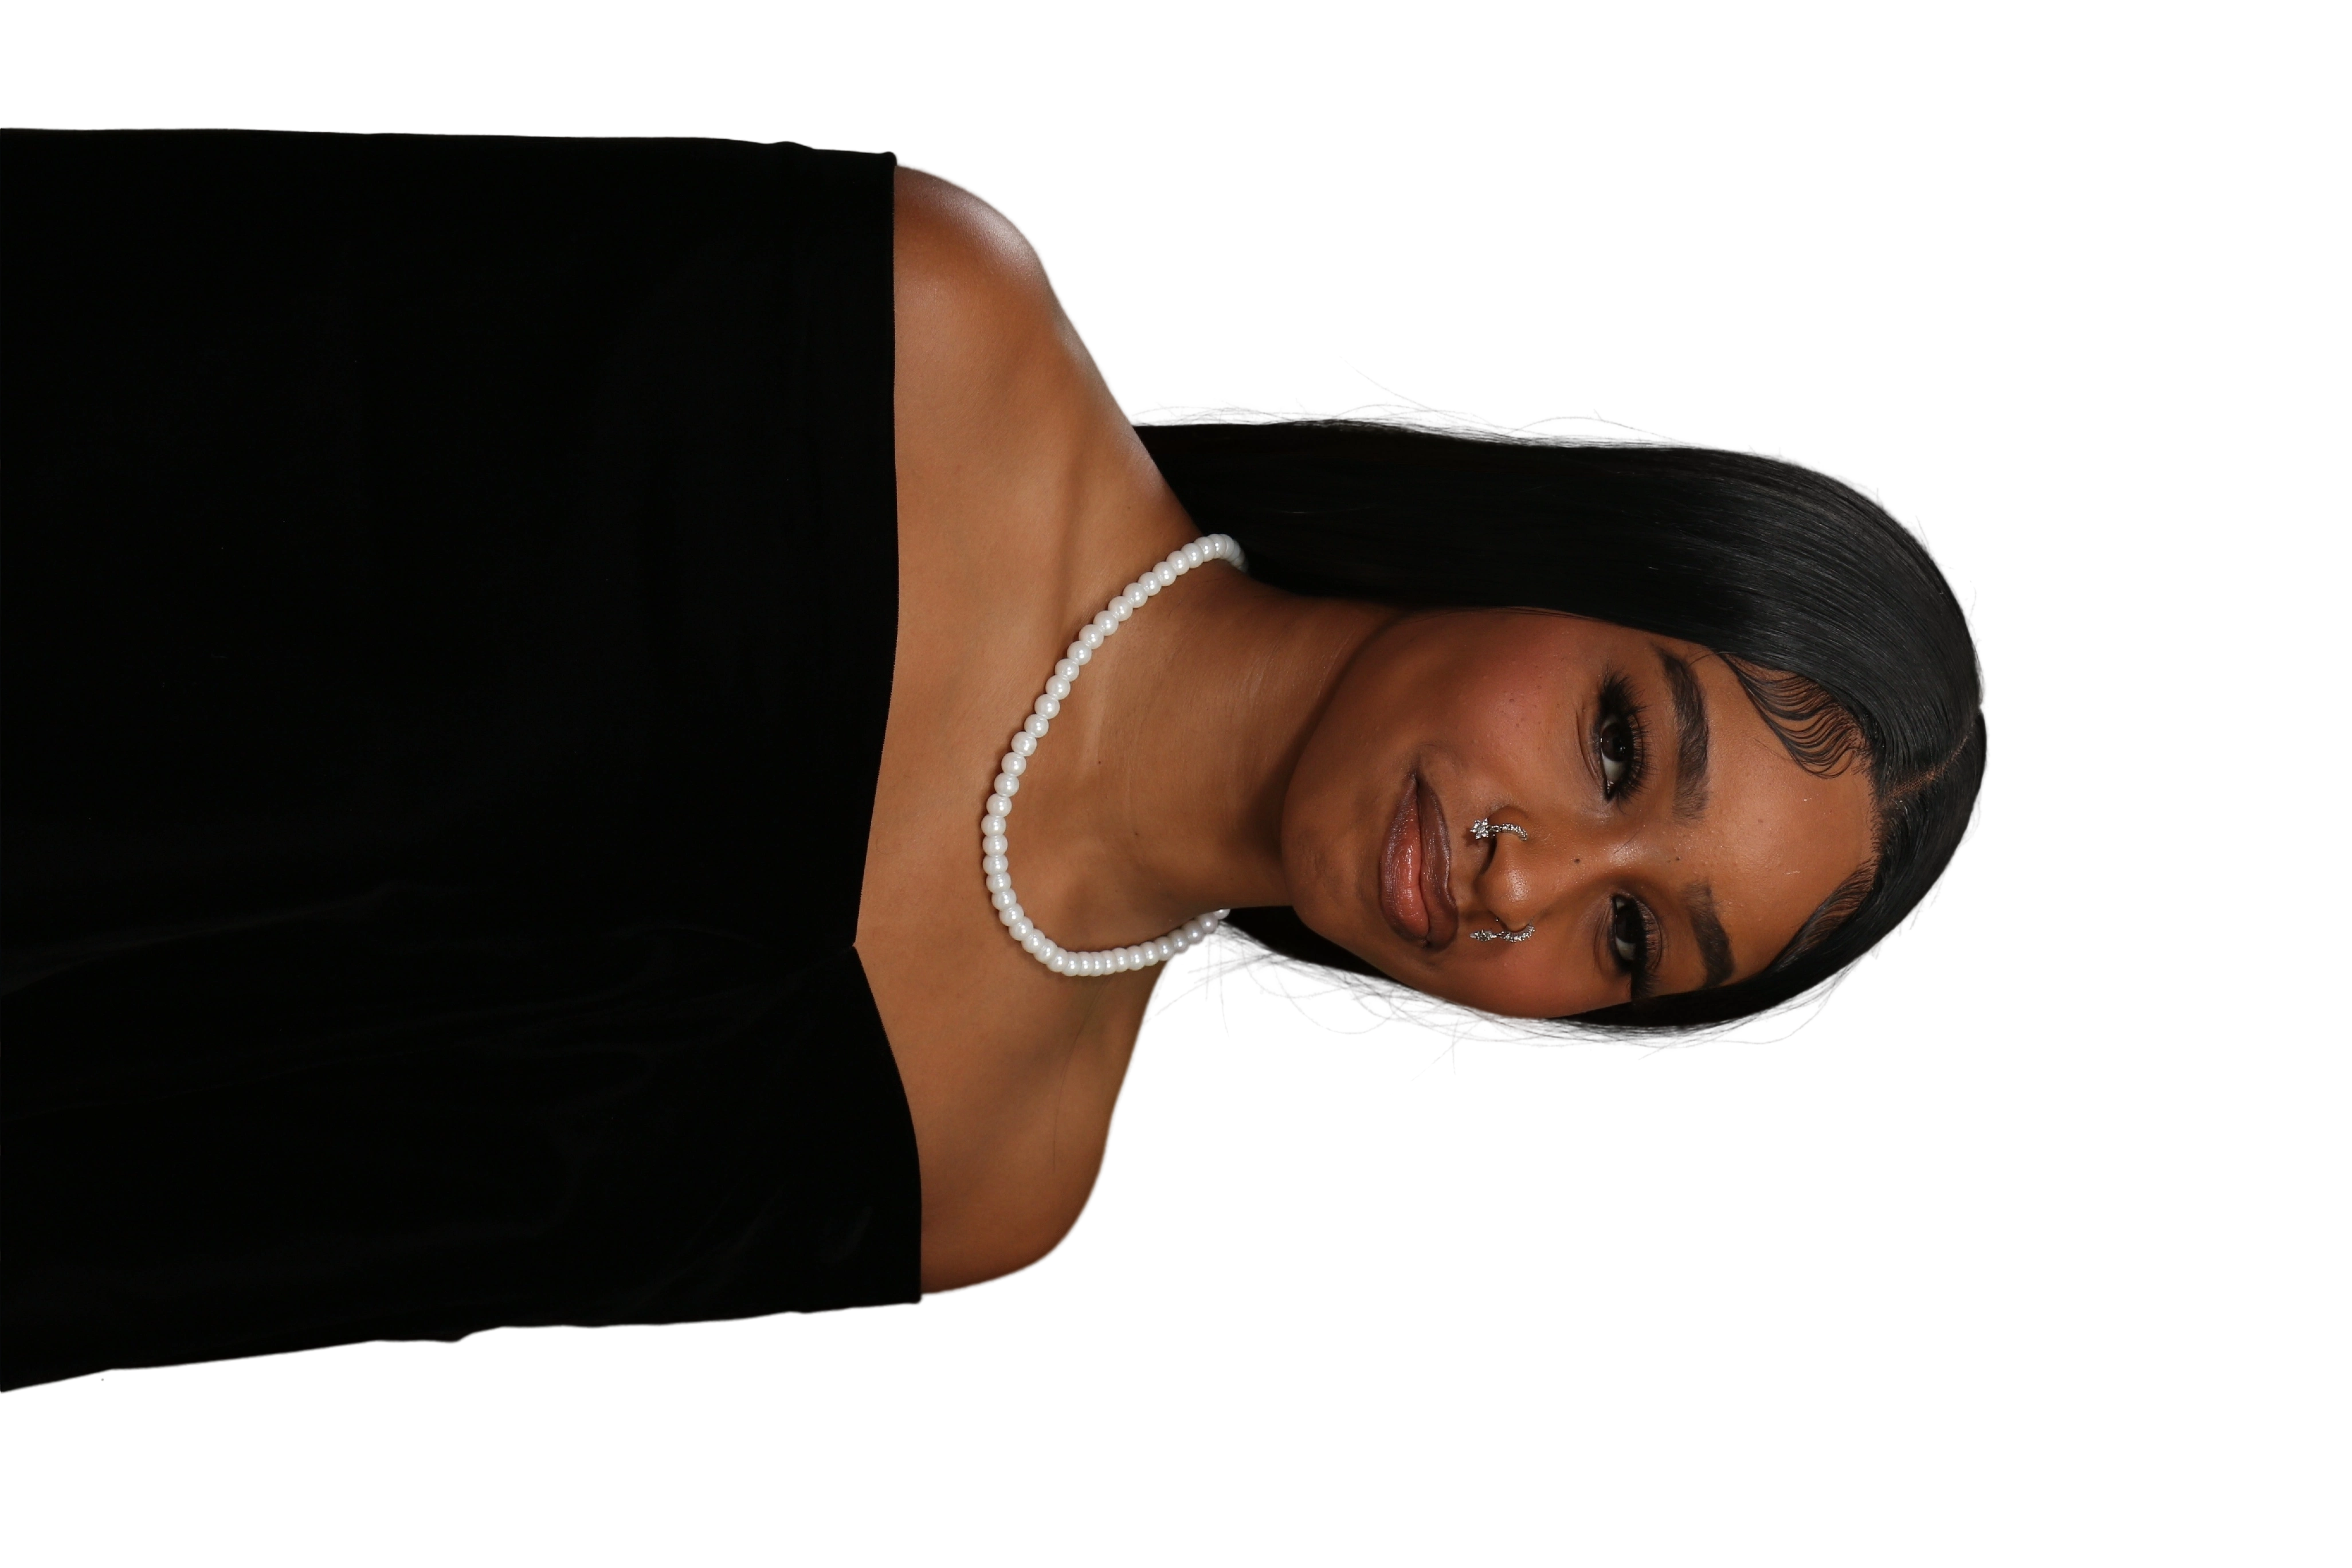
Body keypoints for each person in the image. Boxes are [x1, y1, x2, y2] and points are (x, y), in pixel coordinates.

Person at [0, 130, 1988, 1393]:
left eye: (1629, 943)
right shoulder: (926, 322)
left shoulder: (999, 1174)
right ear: (1559, 557)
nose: (1524, 878)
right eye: (1619, 745)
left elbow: (173, 1250)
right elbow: (158, 305)